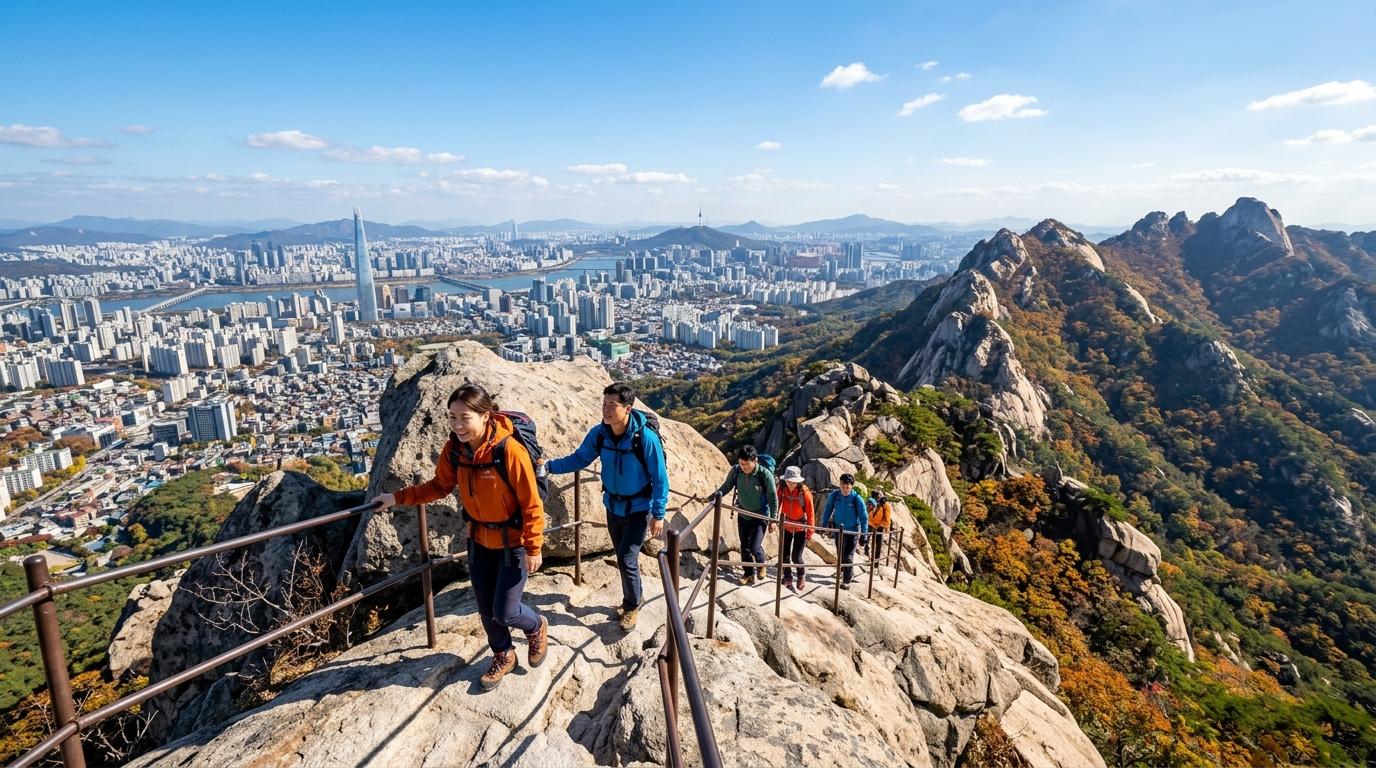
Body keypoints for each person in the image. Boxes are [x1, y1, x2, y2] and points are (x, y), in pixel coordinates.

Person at [372, 383, 547, 691]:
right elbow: (438, 487)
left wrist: (534, 547)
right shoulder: (455, 449)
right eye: (452, 417)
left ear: (486, 415)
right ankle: (504, 654)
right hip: (479, 540)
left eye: (464, 417)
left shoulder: (509, 451)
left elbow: (531, 503)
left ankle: (536, 627)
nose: (456, 425)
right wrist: (396, 498)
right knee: (485, 607)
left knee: (505, 610)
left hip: (514, 544)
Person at [541, 383, 668, 631]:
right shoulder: (600, 434)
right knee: (621, 555)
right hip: (613, 506)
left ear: (628, 409)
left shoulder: (645, 439)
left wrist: (659, 513)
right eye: (604, 404)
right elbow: (579, 459)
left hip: (640, 508)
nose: (606, 410)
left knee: (628, 557)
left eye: (613, 405)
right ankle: (632, 598)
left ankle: (632, 607)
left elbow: (660, 478)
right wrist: (549, 466)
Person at [710, 446, 778, 586]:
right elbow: (726, 486)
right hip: (743, 514)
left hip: (760, 515)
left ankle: (761, 564)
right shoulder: (736, 471)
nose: (744, 467)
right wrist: (712, 497)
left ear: (755, 461)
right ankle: (748, 574)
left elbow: (772, 498)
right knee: (744, 547)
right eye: (742, 464)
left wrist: (773, 520)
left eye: (747, 464)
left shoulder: (765, 475)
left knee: (754, 546)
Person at [820, 473, 868, 589]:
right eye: (843, 486)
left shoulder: (857, 499)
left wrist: (864, 535)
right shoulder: (834, 495)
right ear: (840, 484)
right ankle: (843, 569)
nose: (845, 489)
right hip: (839, 530)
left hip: (852, 531)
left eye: (847, 487)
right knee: (840, 553)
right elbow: (828, 510)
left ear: (852, 486)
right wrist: (823, 525)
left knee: (848, 555)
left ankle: (847, 580)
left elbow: (864, 517)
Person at [776, 465, 814, 592]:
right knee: (784, 554)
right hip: (786, 524)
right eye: (788, 481)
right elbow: (776, 503)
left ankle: (801, 575)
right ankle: (787, 577)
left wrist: (810, 530)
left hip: (800, 527)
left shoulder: (805, 493)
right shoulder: (781, 488)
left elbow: (810, 513)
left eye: (793, 482)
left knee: (796, 556)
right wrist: (773, 519)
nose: (791, 484)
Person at [869, 489, 893, 563]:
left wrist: (884, 526)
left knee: (877, 544)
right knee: (874, 543)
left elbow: (887, 516)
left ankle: (875, 561)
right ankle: (873, 559)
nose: (877, 498)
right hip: (873, 524)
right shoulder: (874, 502)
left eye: (878, 496)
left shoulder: (885, 504)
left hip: (879, 526)